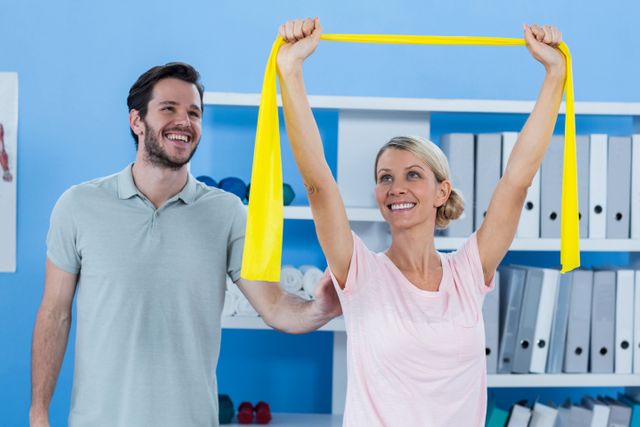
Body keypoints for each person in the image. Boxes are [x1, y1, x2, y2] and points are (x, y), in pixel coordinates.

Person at [277, 18, 566, 426]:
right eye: (385, 178)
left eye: (413, 175)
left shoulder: (468, 272)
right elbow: (318, 183)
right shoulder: (359, 271)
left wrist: (555, 74)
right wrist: (291, 71)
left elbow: (517, 180)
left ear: (441, 192)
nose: (397, 187)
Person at [29, 62, 341, 427]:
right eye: (169, 109)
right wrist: (39, 414)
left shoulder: (227, 213)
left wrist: (322, 308)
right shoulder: (79, 205)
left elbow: (274, 306)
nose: (184, 121)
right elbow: (54, 313)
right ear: (136, 121)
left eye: (194, 113)